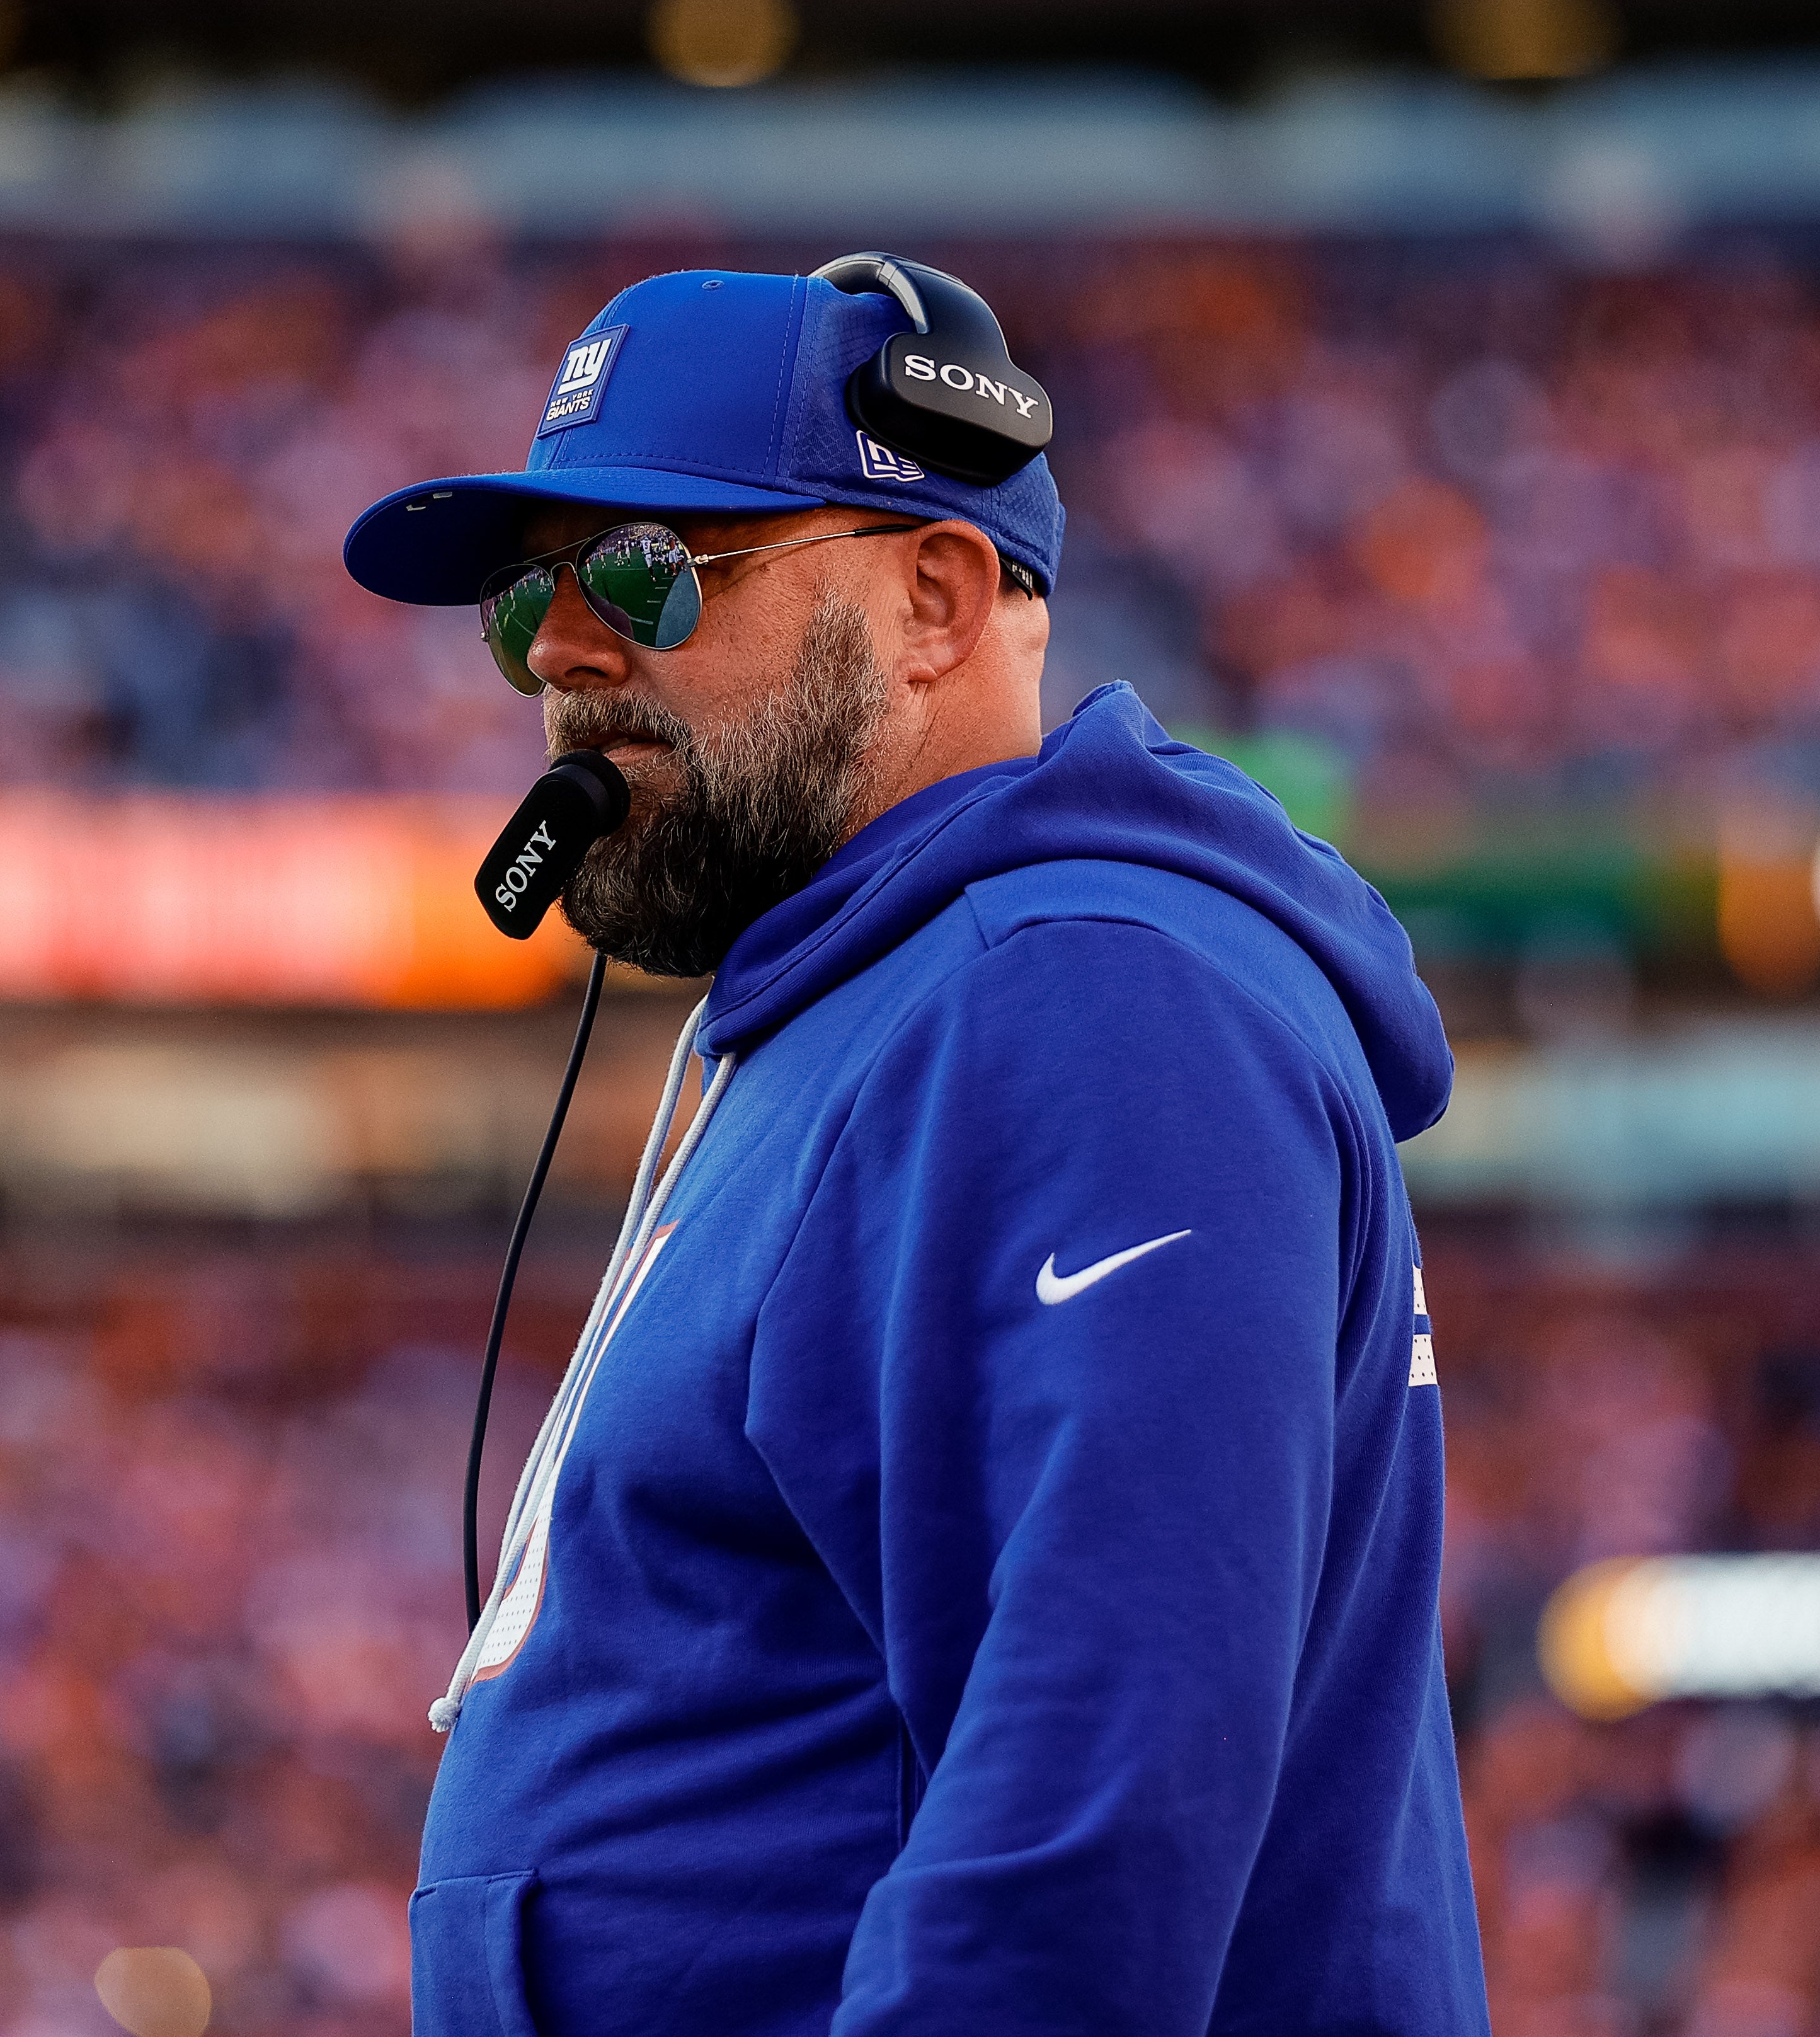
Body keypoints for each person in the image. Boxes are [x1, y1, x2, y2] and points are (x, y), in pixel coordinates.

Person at [341, 261, 1486, 2037]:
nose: (562, 649)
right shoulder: (885, 1004)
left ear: (936, 599)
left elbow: (1098, 1783)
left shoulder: (1089, 997)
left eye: (647, 572)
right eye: (525, 601)